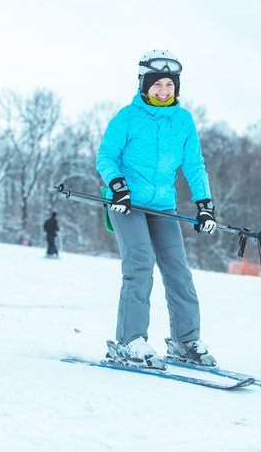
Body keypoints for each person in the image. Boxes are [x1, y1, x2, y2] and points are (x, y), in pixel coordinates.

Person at [95, 49, 218, 370]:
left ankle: (185, 340)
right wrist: (117, 185)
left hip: (163, 206)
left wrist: (205, 204)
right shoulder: (127, 117)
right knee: (140, 263)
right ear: (143, 85)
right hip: (127, 204)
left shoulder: (184, 121)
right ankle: (129, 341)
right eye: (157, 84)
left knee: (178, 269)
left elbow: (194, 165)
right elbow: (105, 156)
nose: (163, 90)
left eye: (169, 84)